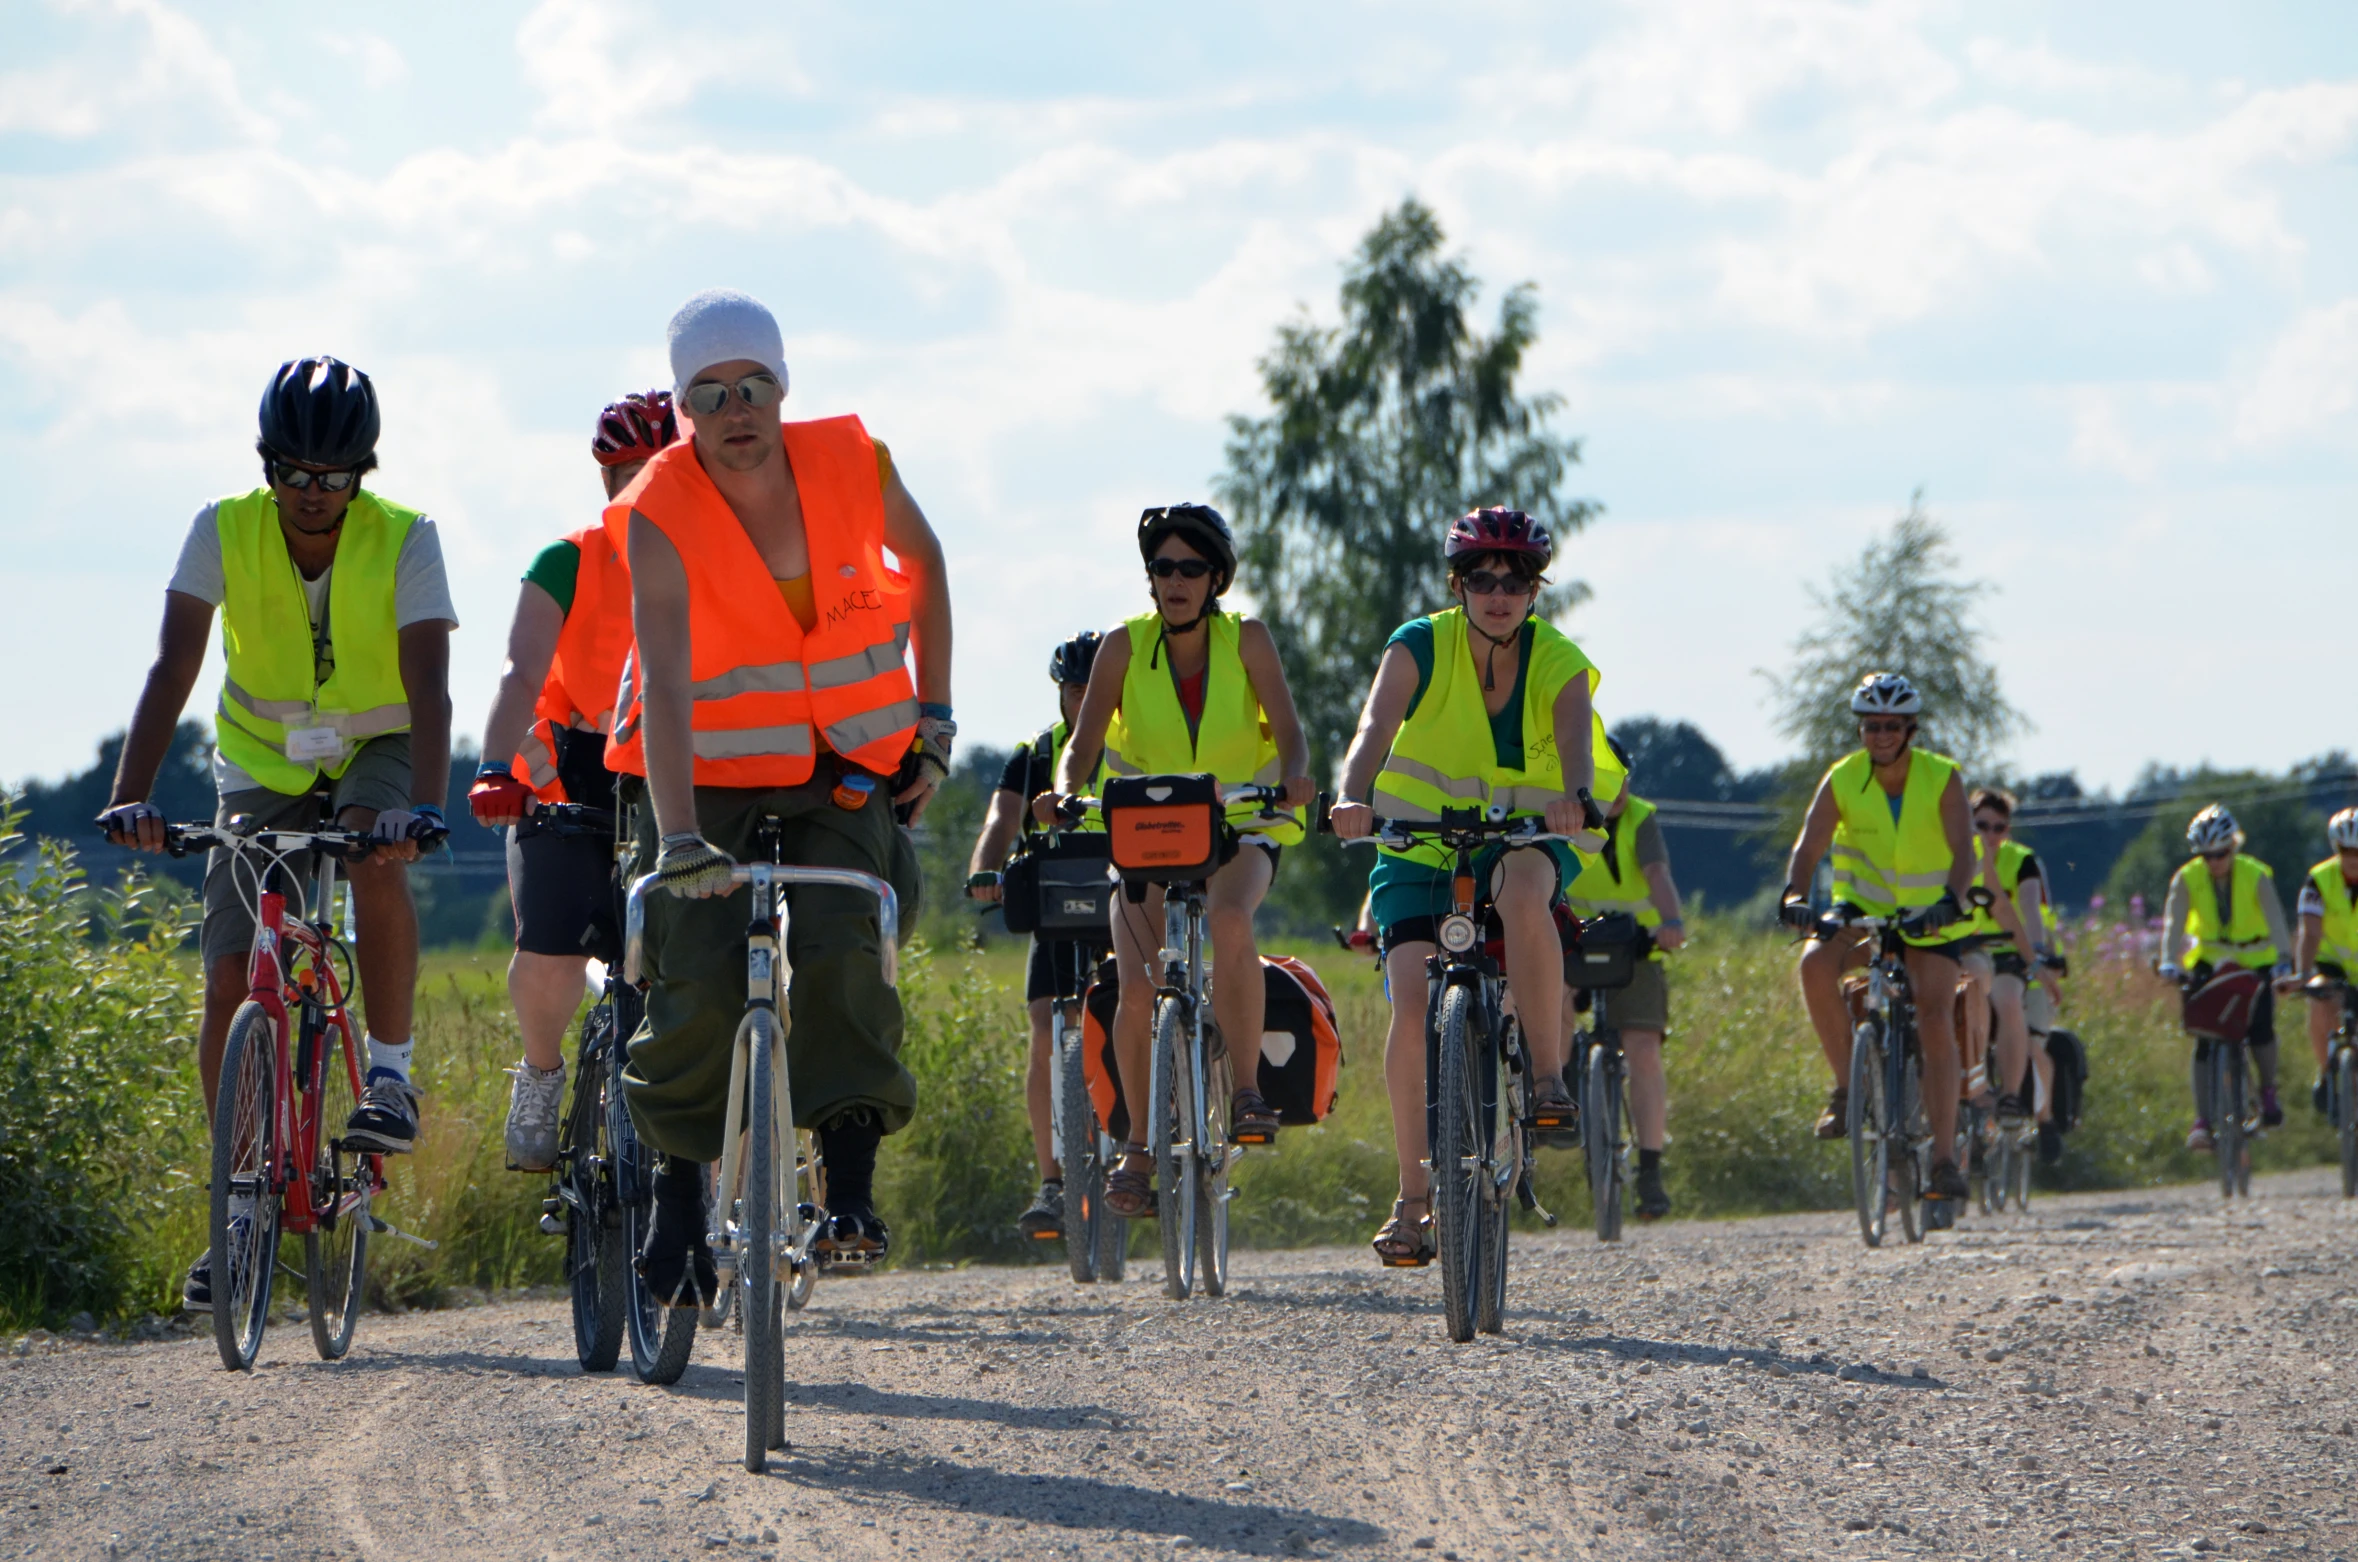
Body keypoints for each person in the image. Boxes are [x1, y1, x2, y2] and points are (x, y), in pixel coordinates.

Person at [611, 290, 953, 1302]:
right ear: (684, 409)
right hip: (703, 774)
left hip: (842, 759)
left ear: (782, 385)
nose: (735, 410)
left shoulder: (856, 462)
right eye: (709, 394)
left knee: (849, 937)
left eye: (752, 385)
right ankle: (678, 1206)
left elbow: (926, 562)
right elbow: (665, 685)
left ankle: (849, 1187)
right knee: (695, 975)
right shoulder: (658, 510)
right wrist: (676, 838)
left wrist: (932, 716)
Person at [99, 355, 456, 1312]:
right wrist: (131, 794)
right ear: (267, 466)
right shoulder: (221, 530)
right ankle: (242, 1205)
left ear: (363, 474)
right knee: (230, 975)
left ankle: (388, 1080)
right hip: (260, 763)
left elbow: (429, 687)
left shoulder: (407, 538)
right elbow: (174, 665)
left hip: (376, 749)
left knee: (374, 858)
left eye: (333, 478)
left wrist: (419, 809)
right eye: (293, 473)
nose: (312, 494)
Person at [1329, 507, 1615, 1266]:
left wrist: (1573, 797)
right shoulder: (1418, 644)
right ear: (1457, 585)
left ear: (1534, 590)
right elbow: (1373, 728)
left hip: (1524, 840)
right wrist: (1352, 796)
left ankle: (1549, 1078)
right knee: (1411, 999)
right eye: (1482, 579)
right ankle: (1413, 1201)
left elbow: (1576, 745)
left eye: (1516, 581)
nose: (1499, 594)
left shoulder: (1558, 658)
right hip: (1420, 843)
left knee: (1526, 896)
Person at [1039, 503, 1313, 1218]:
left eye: (1191, 568)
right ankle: (1138, 1148)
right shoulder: (1124, 647)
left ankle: (1248, 1088)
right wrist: (1066, 790)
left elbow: (1289, 732)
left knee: (1228, 918)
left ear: (1216, 577)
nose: (1175, 581)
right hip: (1149, 830)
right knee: (1134, 986)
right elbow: (1083, 743)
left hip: (1243, 824)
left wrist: (1295, 777)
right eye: (1163, 568)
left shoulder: (1247, 639)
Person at [467, 391, 677, 1171]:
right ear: (604, 477)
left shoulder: (725, 557)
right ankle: (542, 1074)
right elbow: (521, 672)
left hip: (679, 758)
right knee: (553, 939)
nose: (641, 493)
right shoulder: (569, 558)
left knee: (697, 955)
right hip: (574, 758)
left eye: (660, 475)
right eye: (627, 475)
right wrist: (495, 766)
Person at [1778, 672, 1981, 1208]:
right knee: (1815, 964)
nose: (1881, 735)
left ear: (1910, 728)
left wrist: (1951, 900)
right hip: (1861, 912)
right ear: (1861, 729)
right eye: (1871, 726)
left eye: (1892, 725)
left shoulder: (1942, 777)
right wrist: (1794, 896)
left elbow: (1965, 852)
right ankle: (1848, 1088)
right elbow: (1808, 846)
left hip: (1928, 919)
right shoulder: (1843, 778)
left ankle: (1942, 1156)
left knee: (1936, 1017)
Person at [963, 631, 1109, 1241]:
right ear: (1062, 694)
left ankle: (1137, 1142)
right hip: (1056, 909)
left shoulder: (1135, 749)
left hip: (1120, 904)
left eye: (1094, 689)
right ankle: (1052, 1180)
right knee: (1046, 1027)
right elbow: (1001, 818)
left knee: (1130, 1014)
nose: (1084, 701)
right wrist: (983, 871)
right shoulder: (1034, 754)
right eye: (1076, 690)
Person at [1562, 739, 1685, 1221]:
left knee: (1643, 1048)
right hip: (1576, 942)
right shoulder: (1565, 816)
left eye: (1620, 776)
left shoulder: (1639, 818)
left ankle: (1650, 1171)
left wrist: (1671, 923)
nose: (1615, 789)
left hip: (1637, 945)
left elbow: (1657, 873)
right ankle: (1558, 1091)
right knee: (1551, 997)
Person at [2159, 803, 2295, 1149]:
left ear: (2234, 846)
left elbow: (2276, 920)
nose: (2214, 862)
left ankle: (2267, 1090)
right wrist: (2168, 961)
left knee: (2261, 1024)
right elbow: (2173, 923)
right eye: (2206, 856)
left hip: (2256, 957)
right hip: (2210, 958)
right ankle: (2202, 1120)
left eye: (2220, 853)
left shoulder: (2256, 874)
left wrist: (2282, 960)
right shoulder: (2186, 878)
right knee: (2204, 1034)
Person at [1964, 789, 2066, 1153]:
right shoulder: (1959, 855)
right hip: (1969, 950)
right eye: (1981, 826)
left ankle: (2026, 1105)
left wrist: (2036, 955)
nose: (1989, 835)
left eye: (1998, 828)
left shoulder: (2021, 861)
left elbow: (2029, 911)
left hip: (2014, 953)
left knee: (2024, 1021)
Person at [2299, 808, 2358, 1116]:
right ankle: (2326, 1071)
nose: (2353, 858)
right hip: (2331, 961)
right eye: (2345, 850)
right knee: (2319, 995)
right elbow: (2310, 933)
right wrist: (2302, 974)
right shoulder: (2318, 879)